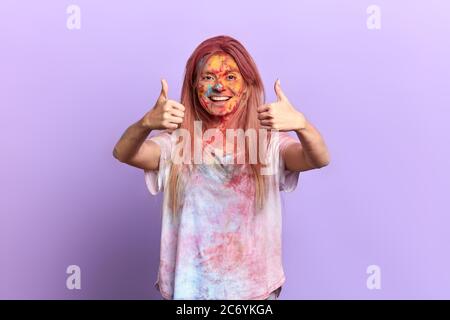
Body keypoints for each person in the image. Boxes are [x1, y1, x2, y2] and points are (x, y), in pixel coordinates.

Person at [113, 35, 330, 300]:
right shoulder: (177, 143)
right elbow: (124, 153)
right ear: (194, 85)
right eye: (207, 78)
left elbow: (318, 158)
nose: (218, 87)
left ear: (247, 87)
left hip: (253, 294)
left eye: (230, 77)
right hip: (188, 291)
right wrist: (145, 123)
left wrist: (301, 125)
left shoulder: (267, 144)